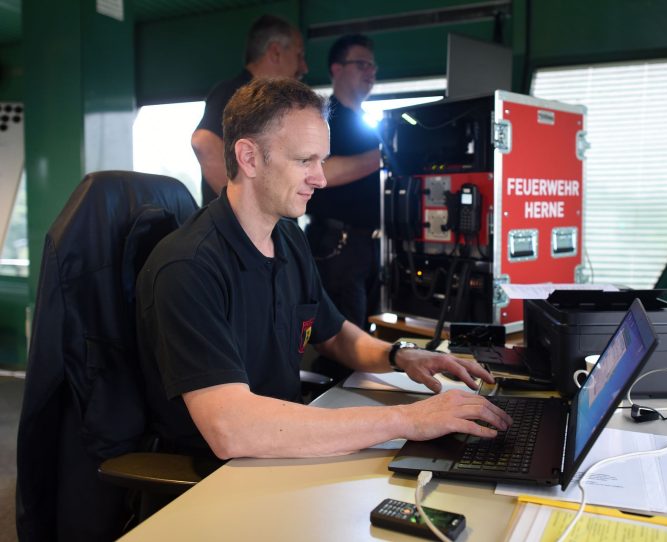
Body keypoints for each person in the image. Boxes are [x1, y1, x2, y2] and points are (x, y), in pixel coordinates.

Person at [136, 78, 511, 460]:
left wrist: (402, 356)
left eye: (322, 160)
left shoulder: (289, 239)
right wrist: (408, 419)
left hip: (287, 448)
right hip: (216, 479)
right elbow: (232, 429)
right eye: (304, 161)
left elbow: (334, 335)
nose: (322, 178)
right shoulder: (188, 266)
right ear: (248, 157)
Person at [305, 34, 382, 380]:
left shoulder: (367, 123)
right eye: (362, 64)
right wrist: (384, 156)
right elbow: (321, 173)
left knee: (367, 333)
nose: (371, 71)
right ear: (337, 69)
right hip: (336, 245)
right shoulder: (323, 119)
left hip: (371, 245)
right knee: (340, 342)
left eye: (373, 66)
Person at [191, 14, 308, 206]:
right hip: (240, 234)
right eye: (299, 55)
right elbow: (204, 144)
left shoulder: (277, 102)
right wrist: (252, 209)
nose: (305, 66)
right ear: (276, 52)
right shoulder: (233, 92)